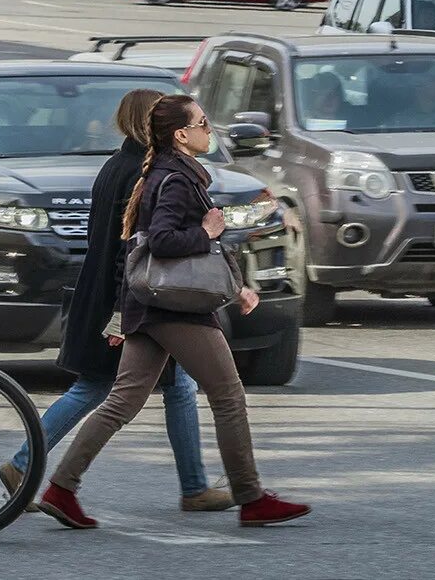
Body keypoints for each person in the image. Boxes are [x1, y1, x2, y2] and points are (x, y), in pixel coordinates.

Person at [36, 94, 312, 529]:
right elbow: (161, 242)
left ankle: (61, 488)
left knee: (121, 401)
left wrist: (235, 286)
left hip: (150, 305)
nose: (210, 130)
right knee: (228, 396)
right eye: (203, 123)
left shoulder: (165, 173)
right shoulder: (176, 179)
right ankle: (251, 497)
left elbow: (139, 245)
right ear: (181, 135)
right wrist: (205, 231)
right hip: (174, 307)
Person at [0, 90, 234, 514]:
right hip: (128, 298)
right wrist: (120, 314)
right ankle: (23, 464)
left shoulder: (116, 165)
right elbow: (133, 250)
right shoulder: (142, 172)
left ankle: (194, 485)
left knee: (173, 385)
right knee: (100, 387)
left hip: (114, 294)